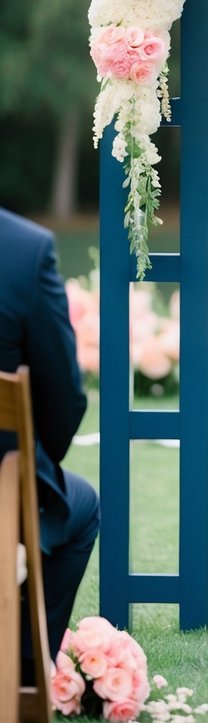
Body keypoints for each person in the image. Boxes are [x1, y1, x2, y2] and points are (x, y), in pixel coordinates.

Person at [0, 206, 99, 676]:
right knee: (79, 506)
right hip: (2, 499)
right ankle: (18, 678)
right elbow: (64, 397)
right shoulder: (23, 248)